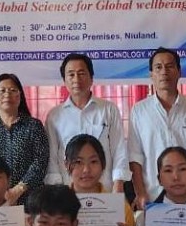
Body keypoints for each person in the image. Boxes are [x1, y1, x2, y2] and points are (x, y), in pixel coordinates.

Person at [129, 48, 186, 208]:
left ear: (179, 71)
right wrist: (140, 192)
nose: (164, 72)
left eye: (169, 66)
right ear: (151, 74)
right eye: (158, 67)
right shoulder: (139, 110)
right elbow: (135, 157)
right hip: (153, 195)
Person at [45, 53, 130, 193]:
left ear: (91, 78)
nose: (76, 79)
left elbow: (119, 149)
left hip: (104, 189)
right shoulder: (55, 115)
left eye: (81, 73)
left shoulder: (109, 109)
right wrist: (58, 191)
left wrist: (118, 184)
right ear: (64, 80)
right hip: (68, 191)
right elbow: (52, 157)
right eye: (71, 75)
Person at [0, 73, 49, 205]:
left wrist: (18, 190)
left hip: (29, 199)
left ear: (20, 96)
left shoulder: (34, 126)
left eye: (13, 90)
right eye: (2, 91)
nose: (7, 95)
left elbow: (41, 161)